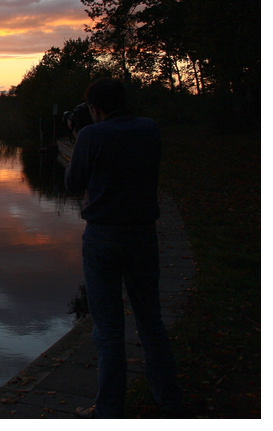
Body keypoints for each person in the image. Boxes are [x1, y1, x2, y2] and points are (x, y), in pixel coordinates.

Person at [64, 78, 181, 418]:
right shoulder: (150, 129)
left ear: (94, 108)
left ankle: (110, 410)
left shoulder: (91, 136)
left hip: (103, 237)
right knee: (151, 320)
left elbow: (73, 183)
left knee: (109, 328)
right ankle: (169, 400)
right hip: (144, 234)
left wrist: (78, 139)